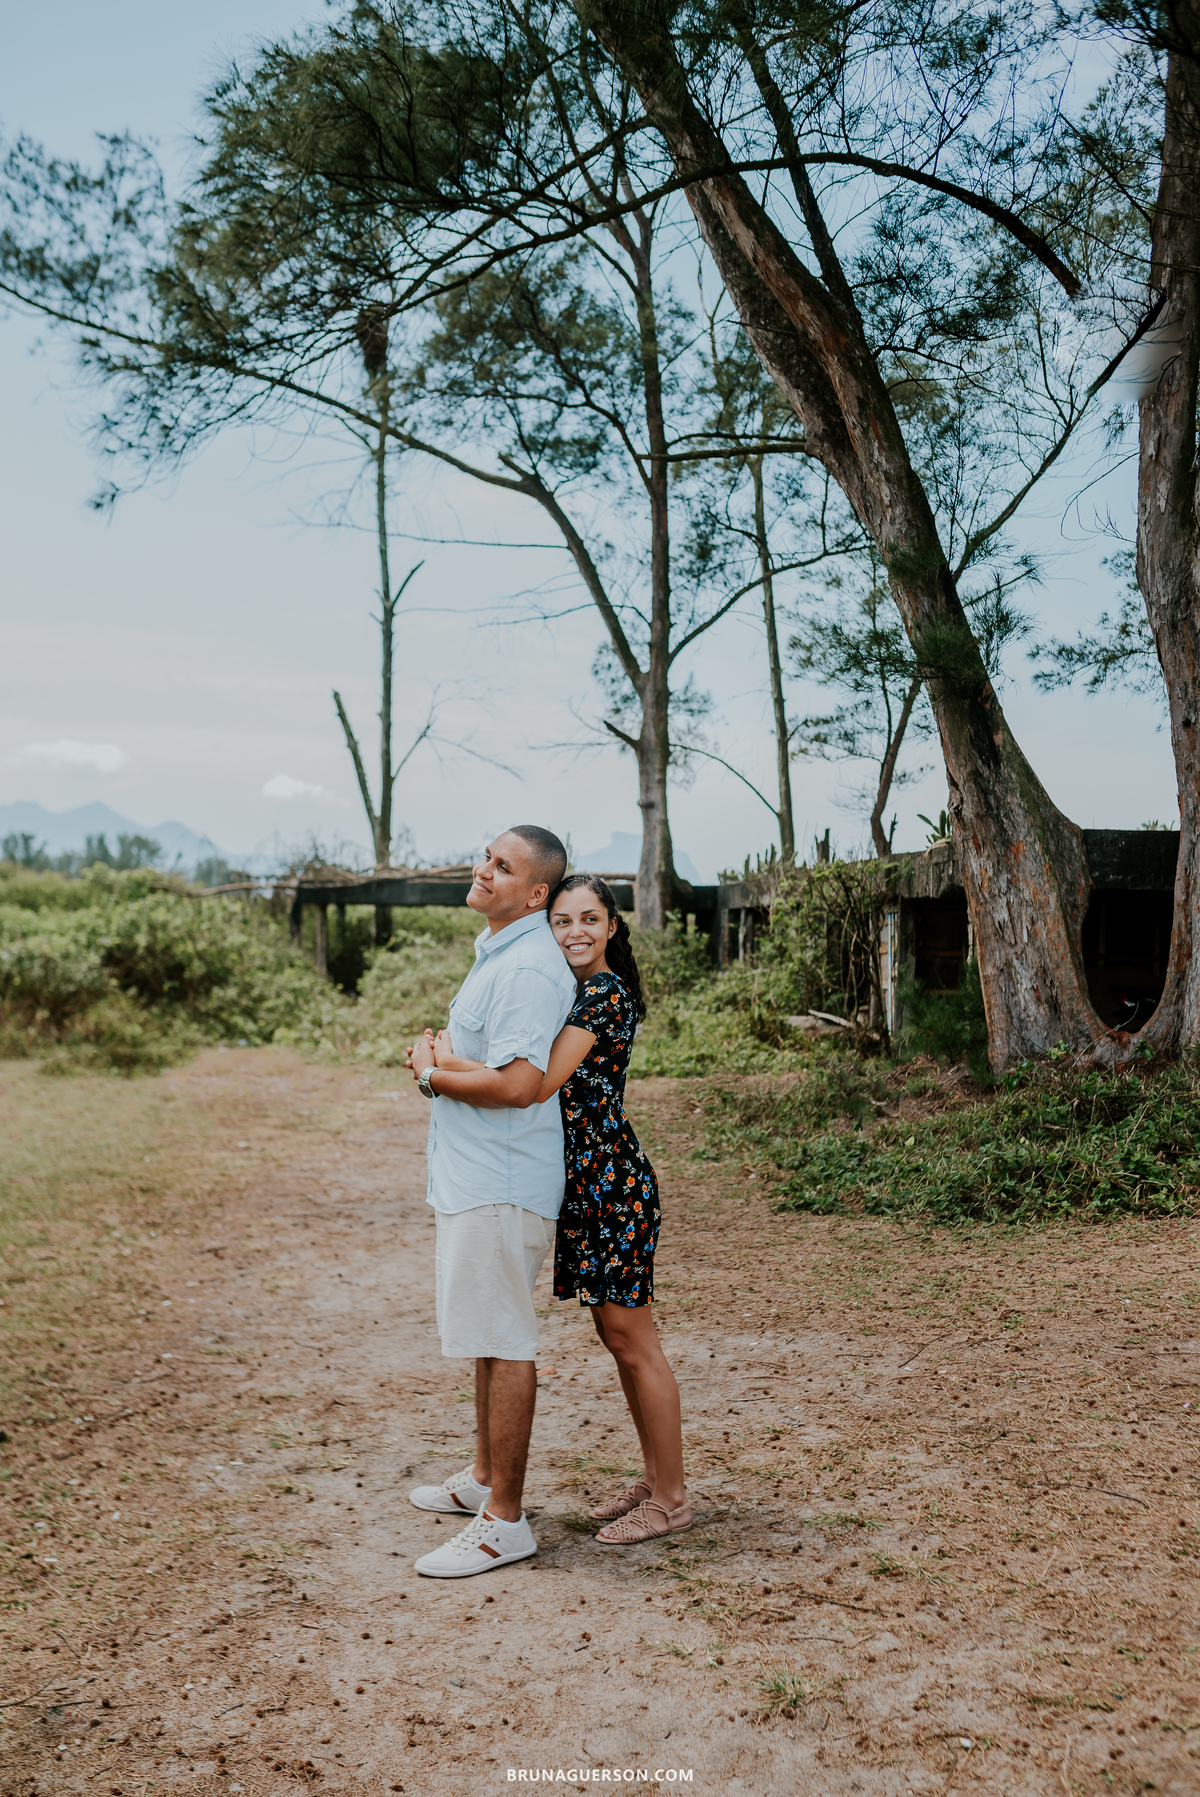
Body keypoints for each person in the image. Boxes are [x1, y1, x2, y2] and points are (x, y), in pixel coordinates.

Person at [432, 873, 690, 1544]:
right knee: (619, 1340)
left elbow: (535, 1079)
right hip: (588, 1184)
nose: (574, 930)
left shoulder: (602, 994)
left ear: (611, 927)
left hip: (612, 1185)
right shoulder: (580, 993)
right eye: (562, 920)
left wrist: (439, 1069)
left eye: (589, 918)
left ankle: (672, 1497)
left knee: (636, 1343)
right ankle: (655, 1476)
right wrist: (451, 1061)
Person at [404, 826, 576, 1579]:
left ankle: (504, 1519)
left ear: (536, 893)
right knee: (485, 1329)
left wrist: (432, 1075)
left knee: (505, 1339)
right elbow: (497, 1063)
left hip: (502, 1188)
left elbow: (515, 1084)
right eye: (486, 856)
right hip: (476, 1179)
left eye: (503, 866)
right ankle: (481, 1476)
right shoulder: (500, 951)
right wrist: (445, 1058)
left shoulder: (532, 968)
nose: (483, 869)